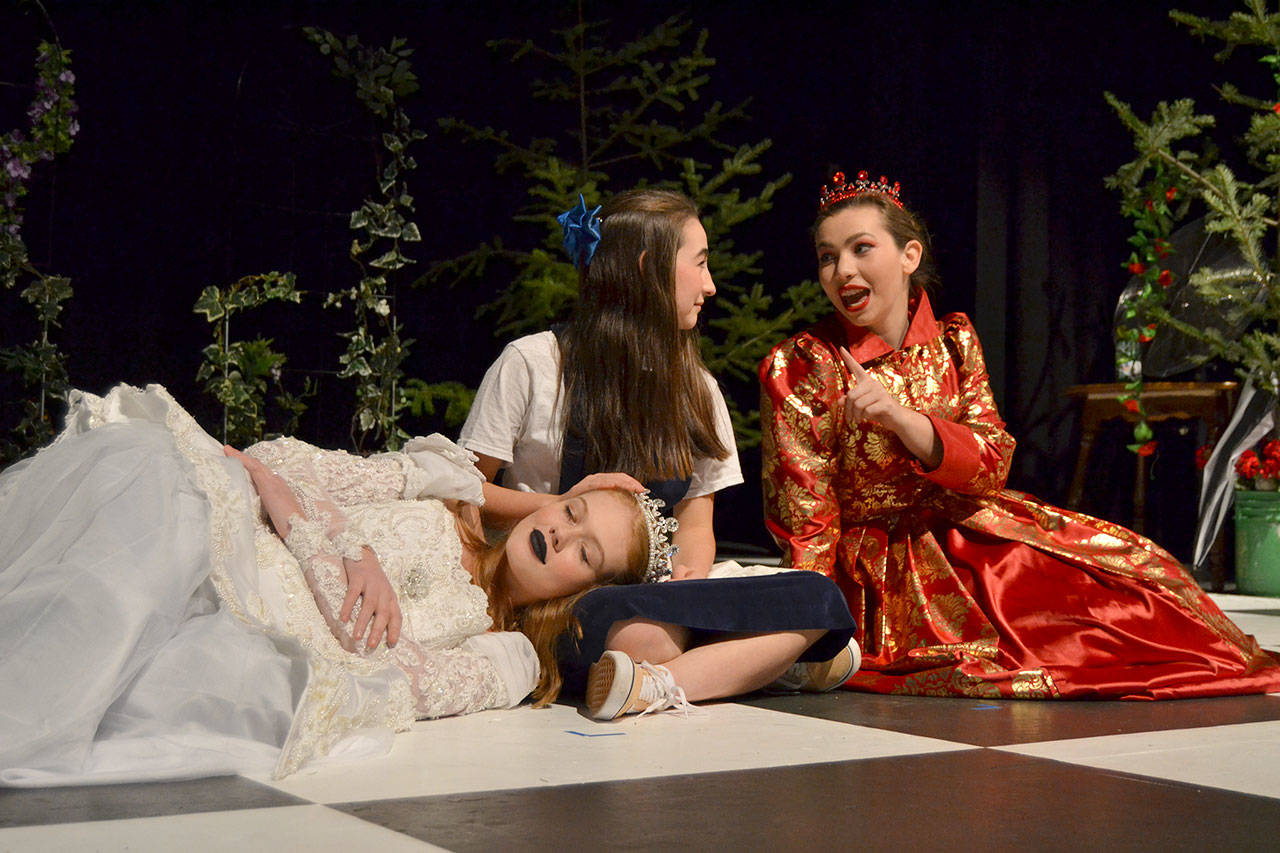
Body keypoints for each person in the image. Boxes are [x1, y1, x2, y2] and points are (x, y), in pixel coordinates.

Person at [760, 169, 1280, 699]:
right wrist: (811, 623)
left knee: (1135, 582)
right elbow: (805, 519)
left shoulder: (954, 341)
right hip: (887, 567)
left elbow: (991, 464)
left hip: (974, 529)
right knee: (1040, 643)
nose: (843, 270)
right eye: (828, 257)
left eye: (861, 248)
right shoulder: (804, 364)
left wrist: (905, 421)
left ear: (909, 255)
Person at [0, 383, 657, 786]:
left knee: (105, 630)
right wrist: (352, 548)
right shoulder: (443, 495)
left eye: (585, 552)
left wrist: (306, 532)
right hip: (219, 540)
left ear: (585, 591)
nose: (560, 534)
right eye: (570, 511)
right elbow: (279, 461)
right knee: (142, 488)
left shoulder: (504, 651)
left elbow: (394, 673)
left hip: (247, 636)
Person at [460, 189, 860, 719]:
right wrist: (557, 505)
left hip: (654, 589)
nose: (710, 285)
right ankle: (769, 662)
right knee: (642, 633)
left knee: (815, 596)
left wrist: (689, 577)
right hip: (556, 601)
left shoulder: (698, 391)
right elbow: (463, 495)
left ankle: (654, 684)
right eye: (700, 263)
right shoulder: (534, 364)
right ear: (649, 269)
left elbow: (695, 524)